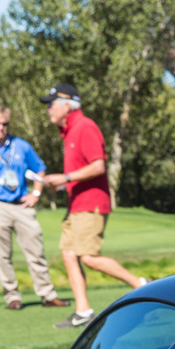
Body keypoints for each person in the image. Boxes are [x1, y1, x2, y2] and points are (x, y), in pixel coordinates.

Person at [38, 83, 145, 329]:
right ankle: (83, 310)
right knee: (68, 254)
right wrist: (63, 185)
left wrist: (65, 178)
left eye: (51, 105)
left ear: (67, 105)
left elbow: (98, 166)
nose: (48, 110)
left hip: (91, 204)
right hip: (76, 204)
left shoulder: (85, 127)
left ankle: (140, 284)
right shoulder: (68, 131)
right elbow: (82, 171)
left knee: (88, 257)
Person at [0, 106, 66, 311]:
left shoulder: (21, 146)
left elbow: (39, 169)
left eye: (5, 124)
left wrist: (36, 194)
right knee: (3, 255)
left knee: (35, 250)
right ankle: (12, 296)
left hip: (21, 204)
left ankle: (47, 294)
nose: (1, 128)